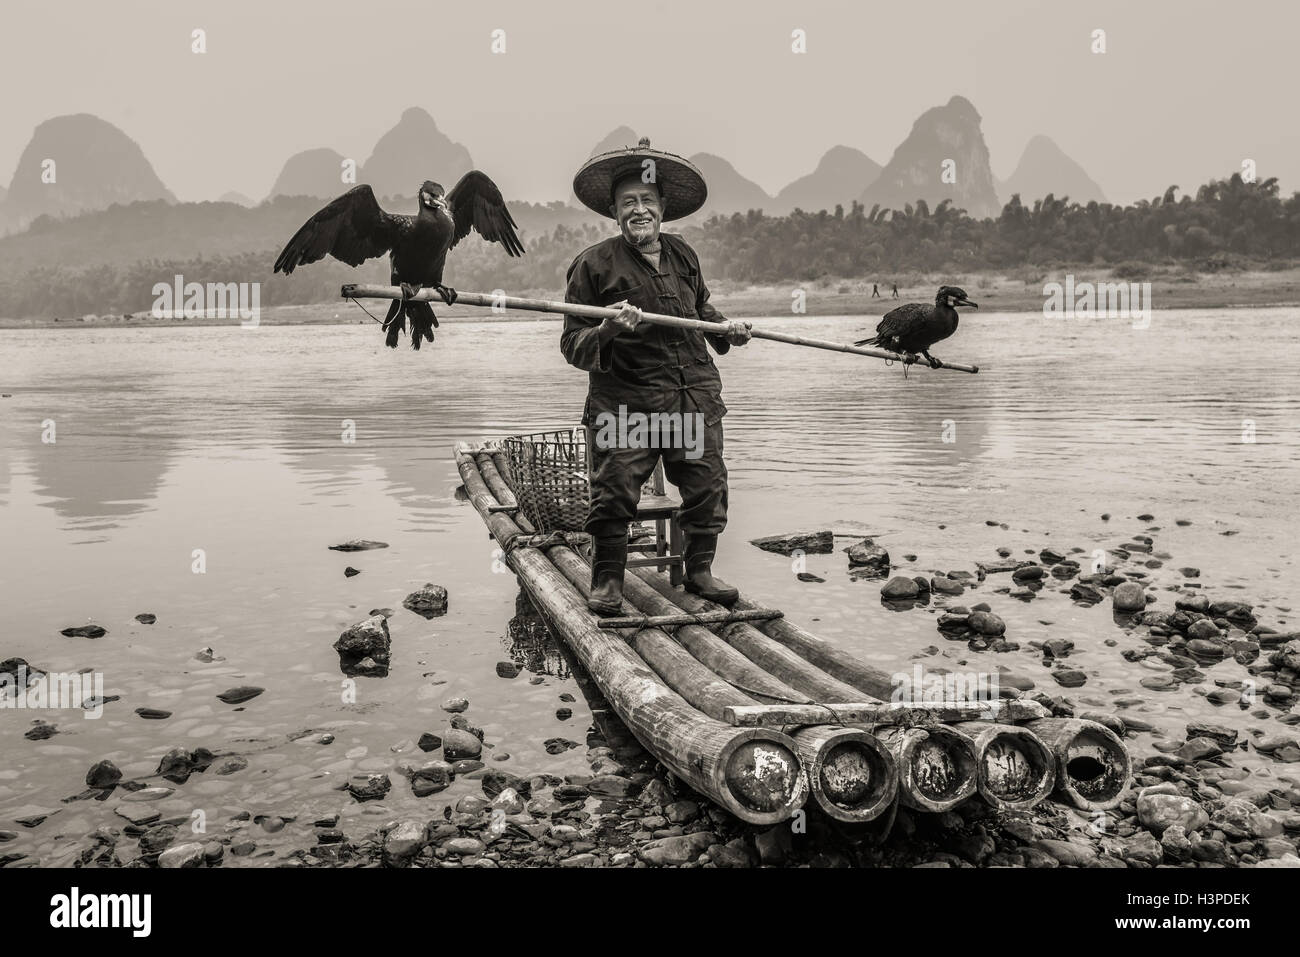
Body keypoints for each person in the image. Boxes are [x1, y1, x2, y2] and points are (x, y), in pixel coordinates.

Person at [562, 139, 751, 616]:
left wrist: (727, 330)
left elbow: (699, 309)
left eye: (647, 201)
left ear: (663, 209)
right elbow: (572, 345)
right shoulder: (592, 265)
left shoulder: (684, 255)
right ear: (614, 211)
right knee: (615, 489)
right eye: (629, 203)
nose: (639, 210)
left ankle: (700, 572)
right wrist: (607, 327)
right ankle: (607, 582)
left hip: (692, 399)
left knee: (707, 485)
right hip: (627, 406)